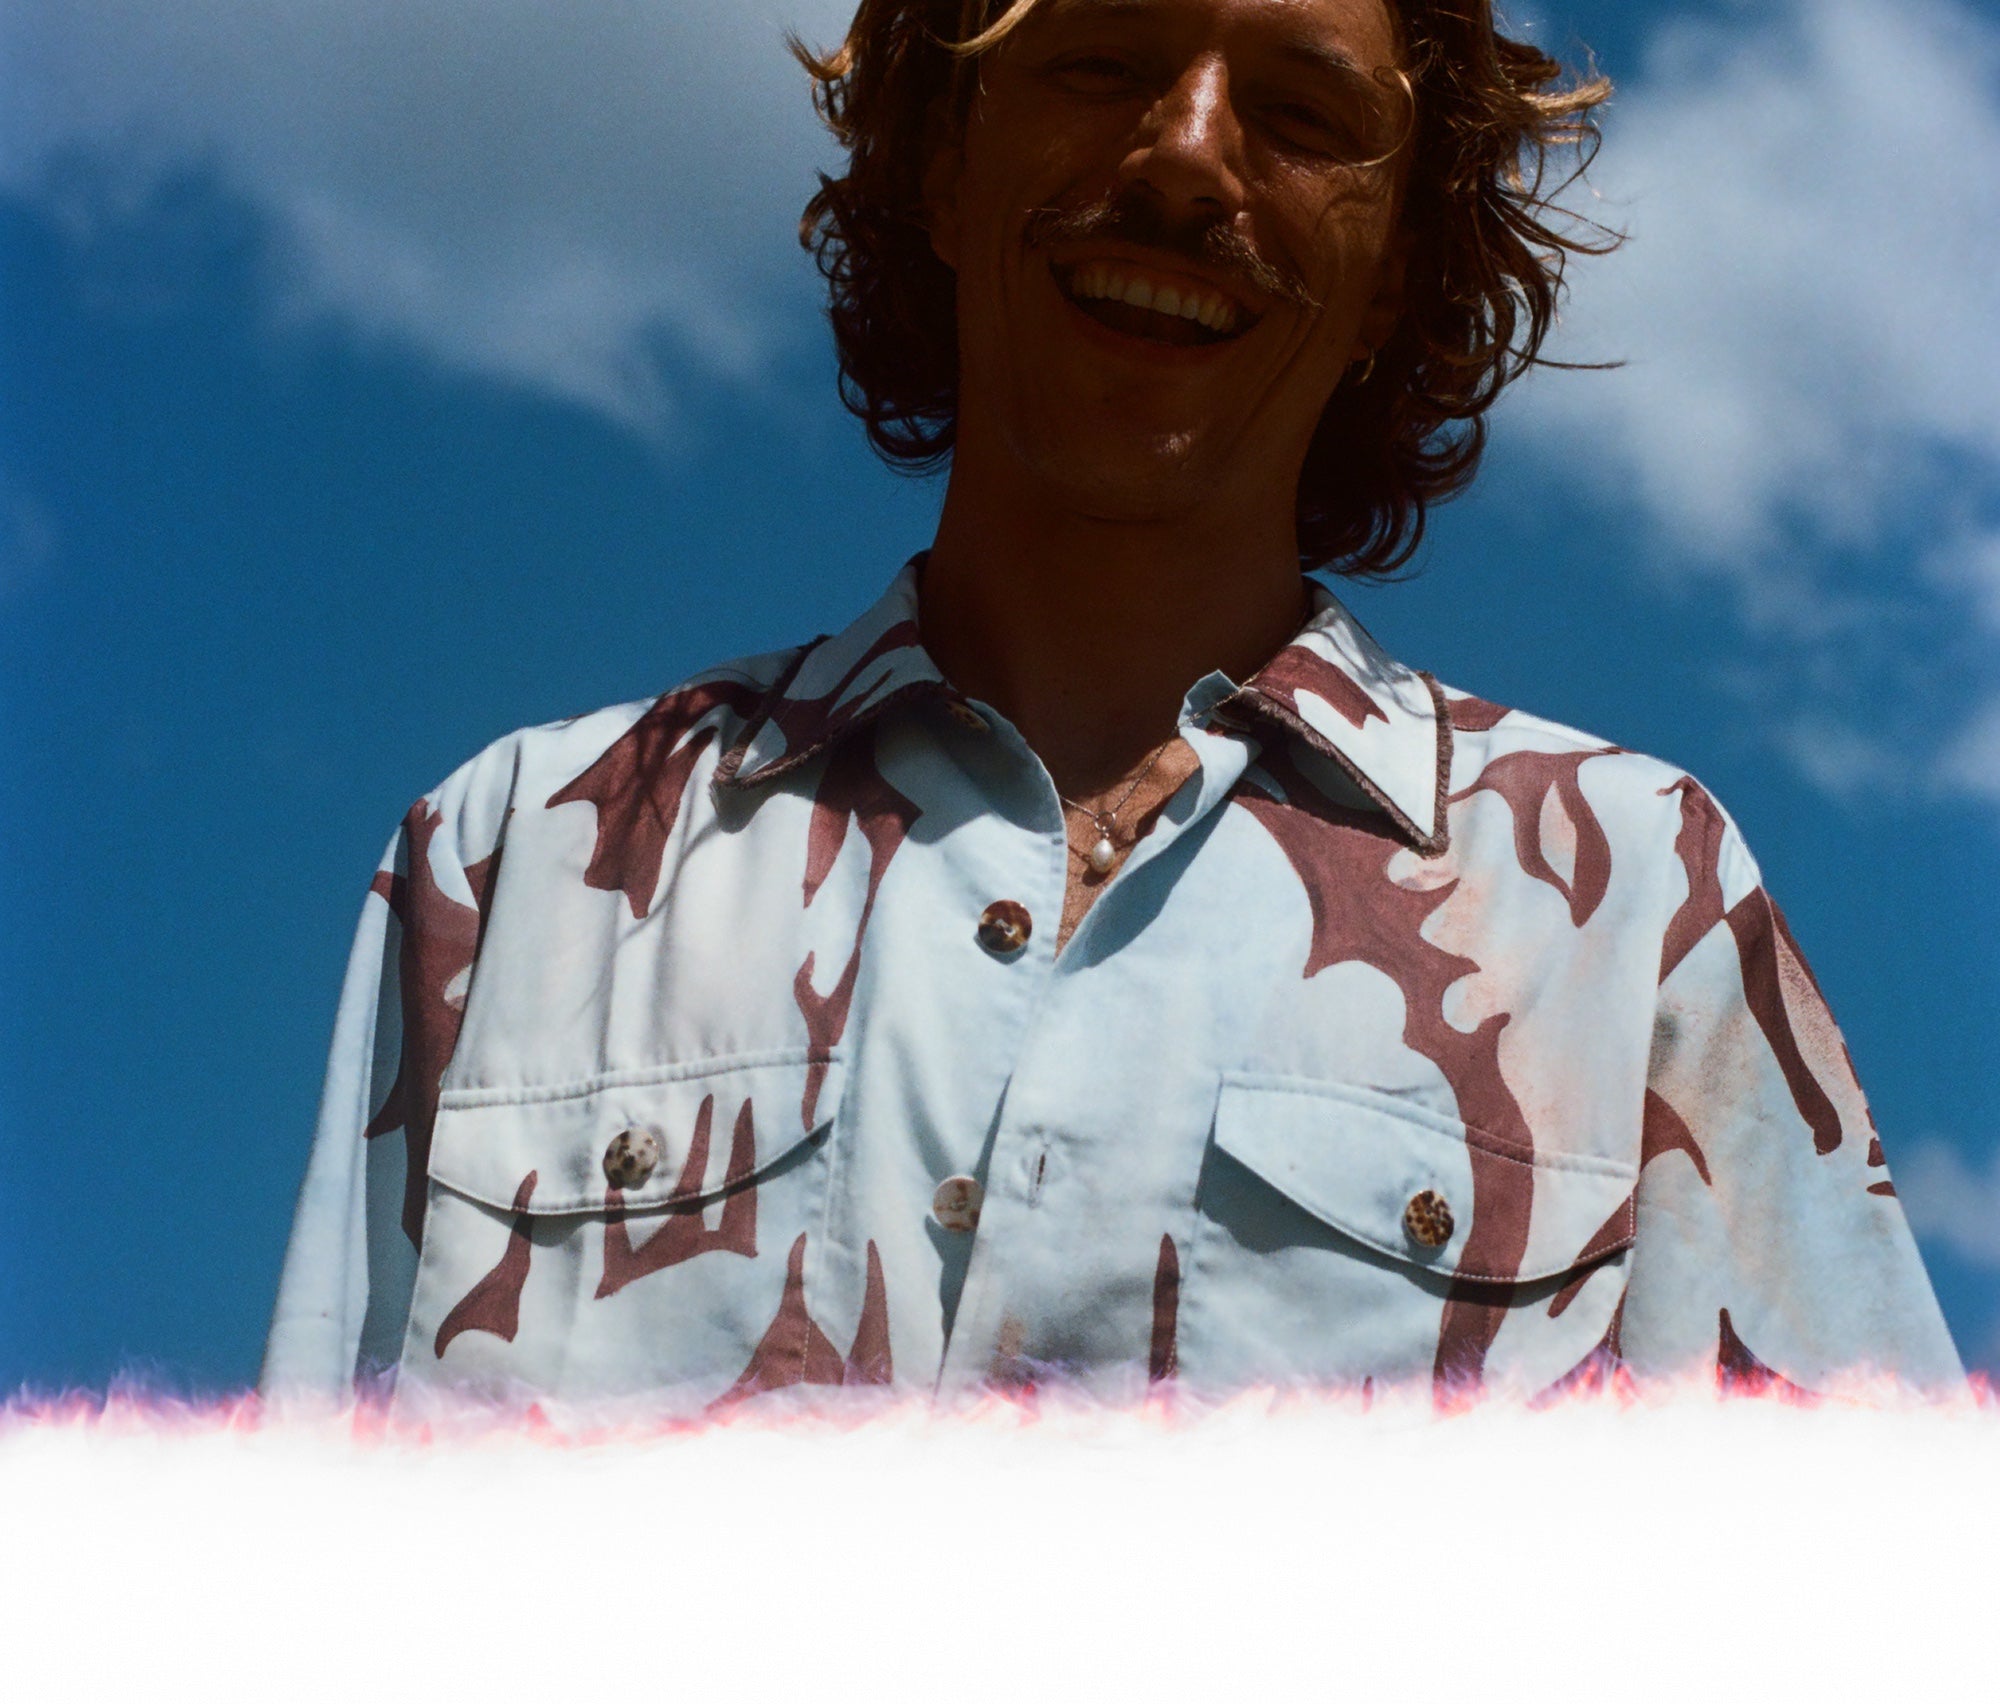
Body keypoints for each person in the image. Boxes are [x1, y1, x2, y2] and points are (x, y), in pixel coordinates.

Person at [262, 0, 1961, 1411]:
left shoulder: (1634, 904)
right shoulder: (517, 868)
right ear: (943, 158)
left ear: (1395, 276)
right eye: (1098, 59)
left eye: (1302, 108)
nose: (1191, 152)